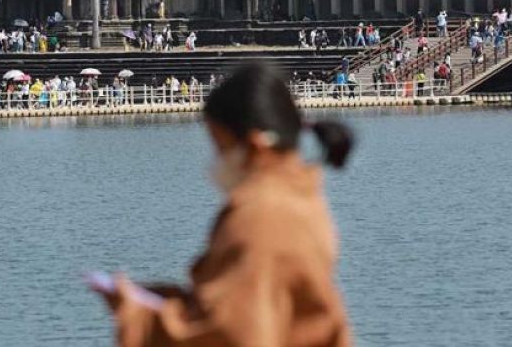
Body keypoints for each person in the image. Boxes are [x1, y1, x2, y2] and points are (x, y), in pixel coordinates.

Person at [92, 63, 353, 346]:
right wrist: (174, 301)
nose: (215, 160)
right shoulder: (300, 198)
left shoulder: (260, 216)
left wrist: (139, 317)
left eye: (220, 146)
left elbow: (232, 335)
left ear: (255, 145)